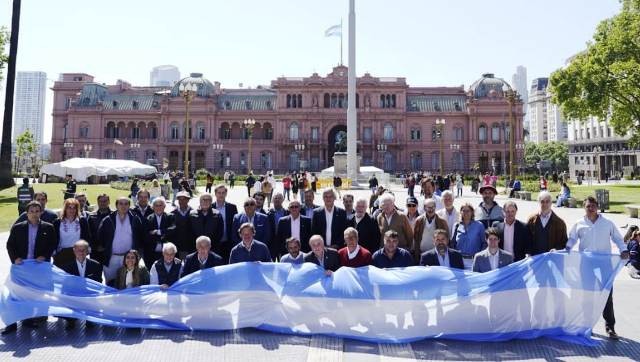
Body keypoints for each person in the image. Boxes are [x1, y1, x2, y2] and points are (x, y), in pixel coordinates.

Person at [566, 196, 629, 339]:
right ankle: (586, 325)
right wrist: (568, 247)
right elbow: (572, 238)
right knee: (587, 296)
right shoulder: (579, 223)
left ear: (597, 207)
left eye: (593, 206)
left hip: (604, 266)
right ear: (584, 207)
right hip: (586, 265)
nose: (591, 208)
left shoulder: (607, 223)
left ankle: (610, 327)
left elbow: (618, 239)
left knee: (607, 296)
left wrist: (623, 250)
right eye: (588, 206)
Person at [3, 201, 57, 334]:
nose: (34, 214)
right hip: (21, 267)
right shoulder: (18, 228)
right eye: (31, 211)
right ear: (26, 213)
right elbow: (10, 245)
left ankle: (27, 320)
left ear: (41, 212)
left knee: (33, 294)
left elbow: (52, 244)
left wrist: (44, 256)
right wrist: (15, 258)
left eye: (37, 211)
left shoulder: (48, 227)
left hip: (38, 268)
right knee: (15, 295)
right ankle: (11, 323)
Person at [97, 196, 144, 284]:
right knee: (110, 283)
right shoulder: (108, 220)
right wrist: (105, 248)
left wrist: (138, 253)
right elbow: (100, 237)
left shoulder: (135, 219)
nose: (123, 206)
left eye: (126, 204)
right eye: (121, 204)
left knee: (128, 283)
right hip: (112, 257)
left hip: (128, 258)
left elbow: (140, 237)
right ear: (116, 205)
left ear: (129, 206)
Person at [60, 239, 103, 329]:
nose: (81, 252)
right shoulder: (67, 267)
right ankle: (71, 320)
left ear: (87, 251)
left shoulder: (96, 265)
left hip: (89, 294)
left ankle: (90, 319)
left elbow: (98, 282)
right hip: (74, 294)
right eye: (79, 250)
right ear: (74, 251)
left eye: (84, 250)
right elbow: (65, 286)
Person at [53, 198, 91, 267]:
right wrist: (54, 252)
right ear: (65, 209)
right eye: (69, 208)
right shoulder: (58, 222)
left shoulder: (82, 221)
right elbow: (53, 239)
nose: (72, 210)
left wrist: (87, 250)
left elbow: (87, 237)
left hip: (78, 253)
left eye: (74, 208)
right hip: (61, 253)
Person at [526, 191, 568, 255]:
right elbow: (527, 239)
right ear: (539, 203)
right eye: (542, 201)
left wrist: (557, 249)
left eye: (547, 201)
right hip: (535, 259)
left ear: (551, 203)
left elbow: (564, 243)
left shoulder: (560, 223)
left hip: (552, 260)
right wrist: (528, 252)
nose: (545, 204)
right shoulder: (531, 220)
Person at [413, 198, 449, 263]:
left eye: (433, 207)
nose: (431, 209)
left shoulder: (442, 221)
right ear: (424, 208)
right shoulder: (419, 220)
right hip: (421, 253)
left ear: (435, 207)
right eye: (428, 207)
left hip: (436, 254)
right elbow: (415, 238)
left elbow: (447, 238)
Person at [451, 203, 486, 269]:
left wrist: (480, 257)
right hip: (459, 260)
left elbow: (484, 243)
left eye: (468, 211)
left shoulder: (479, 225)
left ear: (472, 212)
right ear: (460, 212)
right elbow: (453, 243)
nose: (465, 213)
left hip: (474, 260)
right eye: (463, 211)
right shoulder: (456, 225)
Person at [144, 197, 175, 269]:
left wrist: (158, 232)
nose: (158, 207)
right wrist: (164, 232)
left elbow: (173, 229)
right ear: (152, 207)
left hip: (167, 253)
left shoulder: (170, 217)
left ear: (164, 206)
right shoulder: (148, 218)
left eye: (160, 205)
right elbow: (146, 235)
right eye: (156, 205)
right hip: (152, 252)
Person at [213, 184, 239, 261]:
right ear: (215, 194)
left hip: (228, 242)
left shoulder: (232, 207)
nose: (221, 195)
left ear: (226, 194)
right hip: (214, 243)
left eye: (223, 192)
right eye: (219, 192)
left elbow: (236, 225)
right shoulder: (210, 207)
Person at [87, 194, 112, 264]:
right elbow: (89, 234)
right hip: (96, 251)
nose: (103, 203)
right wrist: (95, 247)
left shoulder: (114, 215)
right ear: (97, 202)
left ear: (109, 202)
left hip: (111, 251)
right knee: (95, 273)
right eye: (100, 201)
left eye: (105, 201)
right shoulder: (91, 216)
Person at [172, 191, 194, 260]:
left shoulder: (194, 213)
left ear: (188, 200)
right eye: (180, 199)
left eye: (184, 199)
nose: (182, 201)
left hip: (191, 245)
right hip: (177, 246)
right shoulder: (172, 214)